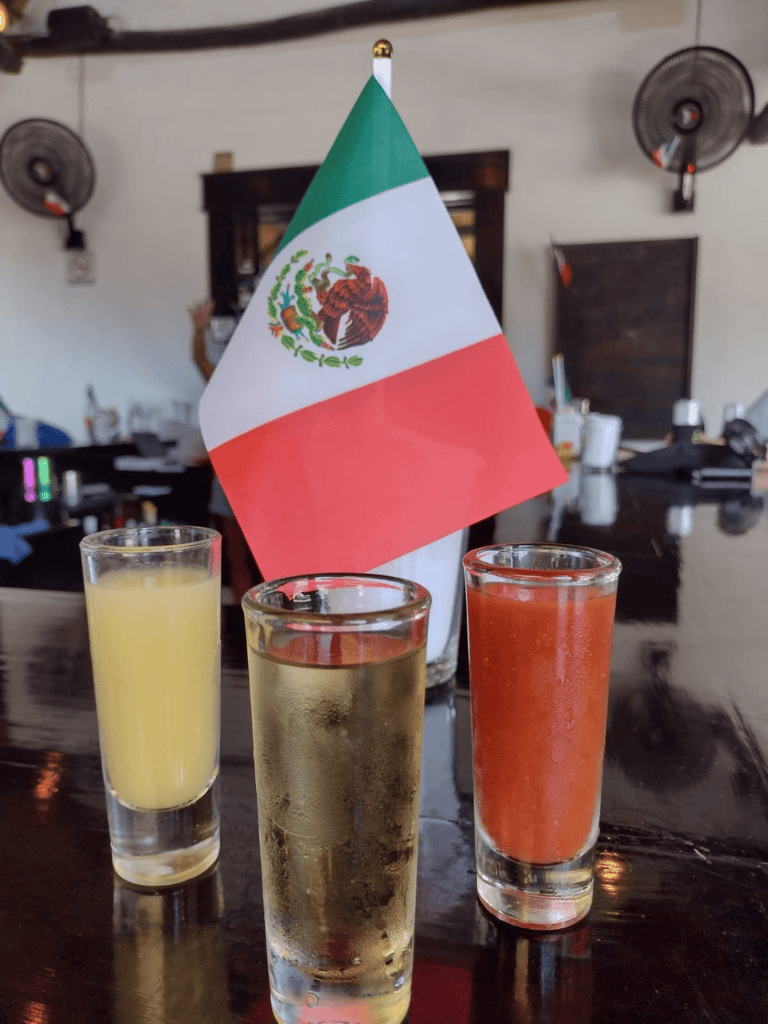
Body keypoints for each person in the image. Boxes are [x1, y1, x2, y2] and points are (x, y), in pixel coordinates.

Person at [191, 299, 263, 604]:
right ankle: (242, 617)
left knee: (260, 558)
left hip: (261, 483)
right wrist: (199, 329)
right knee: (235, 556)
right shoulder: (226, 380)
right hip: (230, 478)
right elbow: (202, 362)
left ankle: (268, 615)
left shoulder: (269, 384)